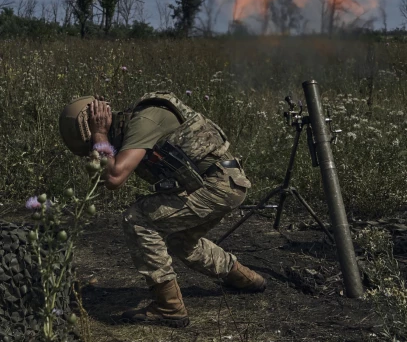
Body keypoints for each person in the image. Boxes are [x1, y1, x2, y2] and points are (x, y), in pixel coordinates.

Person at [58, 91, 266, 328]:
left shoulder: (143, 120)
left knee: (137, 217)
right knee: (181, 242)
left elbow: (114, 178)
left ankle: (169, 307)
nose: (97, 148)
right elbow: (105, 176)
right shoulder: (133, 128)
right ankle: (246, 279)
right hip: (220, 184)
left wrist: (99, 134)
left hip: (218, 184)